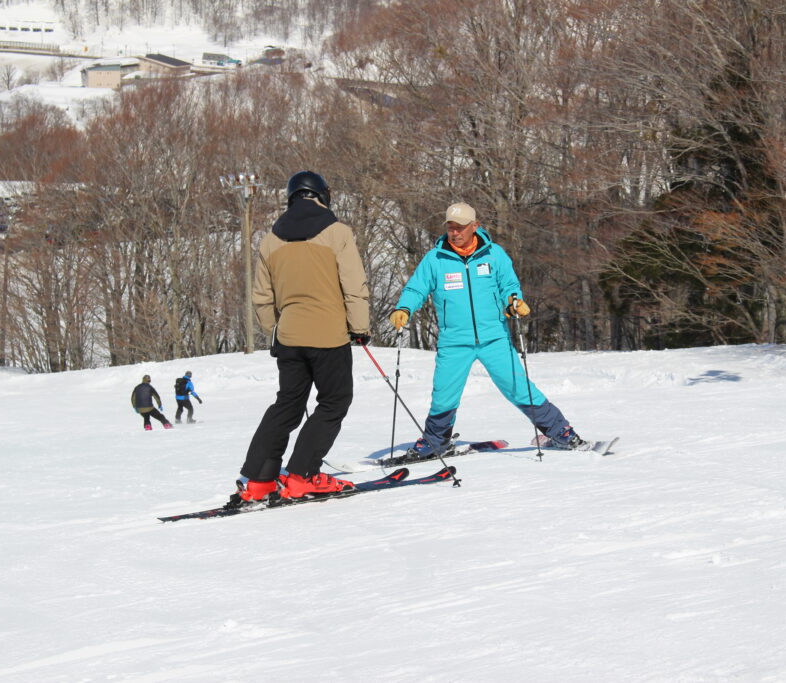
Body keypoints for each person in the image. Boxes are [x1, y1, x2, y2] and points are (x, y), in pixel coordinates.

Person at [388, 202, 585, 458]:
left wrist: (514, 300)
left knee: (519, 388)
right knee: (444, 395)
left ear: (475, 226)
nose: (455, 233)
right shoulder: (435, 259)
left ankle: (562, 433)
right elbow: (416, 288)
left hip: (494, 338)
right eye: (450, 227)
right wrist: (404, 308)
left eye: (460, 228)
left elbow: (508, 285)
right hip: (454, 340)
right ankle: (436, 442)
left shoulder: (494, 255)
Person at [231, 171, 371, 505]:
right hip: (329, 335)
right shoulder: (337, 232)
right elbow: (353, 285)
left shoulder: (270, 239)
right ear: (323, 195)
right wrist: (360, 327)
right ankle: (301, 476)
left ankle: (259, 480)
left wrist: (276, 330)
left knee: (288, 405)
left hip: (289, 337)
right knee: (334, 401)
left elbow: (262, 299)